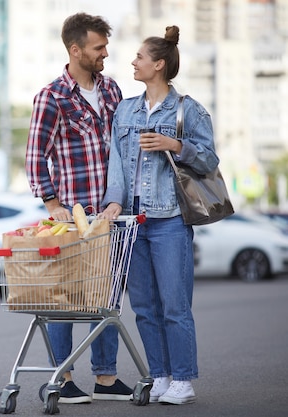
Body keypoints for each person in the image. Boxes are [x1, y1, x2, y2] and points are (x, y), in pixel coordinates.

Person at [100, 25, 216, 405]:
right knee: (145, 308)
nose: (133, 62)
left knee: (174, 305)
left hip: (169, 220)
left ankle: (183, 379)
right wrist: (114, 202)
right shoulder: (126, 109)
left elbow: (209, 159)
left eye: (139, 57)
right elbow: (115, 162)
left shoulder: (188, 110)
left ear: (159, 64)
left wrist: (175, 145)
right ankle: (161, 375)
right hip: (132, 223)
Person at [25, 12, 133, 404]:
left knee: (106, 297)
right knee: (66, 299)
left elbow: (122, 149)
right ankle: (63, 377)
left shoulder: (112, 91)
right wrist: (52, 202)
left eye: (106, 45)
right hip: (73, 217)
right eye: (98, 47)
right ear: (76, 50)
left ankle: (106, 379)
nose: (106, 53)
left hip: (111, 215)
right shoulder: (52, 96)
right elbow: (35, 156)